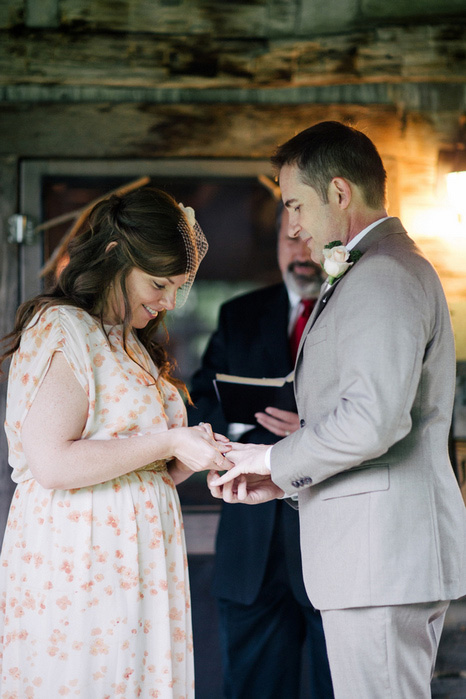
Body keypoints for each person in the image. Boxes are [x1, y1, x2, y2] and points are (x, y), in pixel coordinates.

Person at [208, 121, 466, 698]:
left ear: (340, 193)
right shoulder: (372, 269)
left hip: (378, 561)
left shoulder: (381, 275)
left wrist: (274, 462)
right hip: (374, 560)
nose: (293, 225)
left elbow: (373, 419)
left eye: (296, 204)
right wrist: (290, 484)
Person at [0, 187, 231, 697]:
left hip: (138, 565)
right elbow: (54, 463)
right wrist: (168, 438)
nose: (170, 301)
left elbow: (142, 465)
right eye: (158, 284)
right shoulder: (63, 329)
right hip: (83, 562)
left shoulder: (130, 341)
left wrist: (189, 454)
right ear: (112, 257)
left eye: (177, 287)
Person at [188, 207, 333, 698]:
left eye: (307, 239)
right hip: (250, 548)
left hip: (331, 542)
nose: (299, 252)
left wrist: (310, 430)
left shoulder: (350, 313)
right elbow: (201, 399)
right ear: (275, 245)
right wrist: (237, 427)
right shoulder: (240, 314)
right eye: (288, 240)